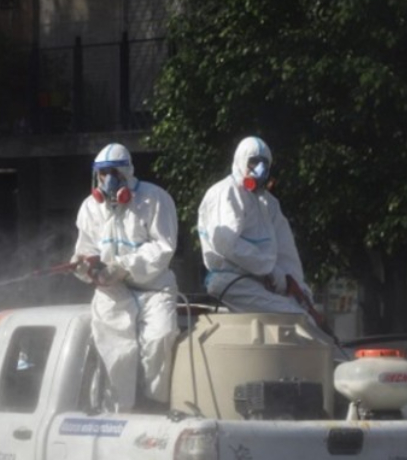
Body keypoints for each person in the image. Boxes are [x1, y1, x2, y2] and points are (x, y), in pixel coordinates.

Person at [72, 143, 179, 412]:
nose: (107, 181)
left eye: (113, 173)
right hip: (113, 290)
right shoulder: (89, 208)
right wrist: (86, 268)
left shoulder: (155, 199)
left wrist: (122, 266)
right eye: (102, 174)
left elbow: (163, 248)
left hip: (153, 287)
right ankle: (119, 412)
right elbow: (85, 249)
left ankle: (155, 405)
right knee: (116, 350)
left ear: (127, 174)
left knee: (160, 338)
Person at [198, 136, 315, 315]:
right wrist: (271, 271)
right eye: (254, 163)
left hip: (263, 282)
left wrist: (297, 286)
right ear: (241, 161)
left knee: (303, 312)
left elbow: (285, 250)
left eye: (264, 164)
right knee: (293, 316)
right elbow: (227, 244)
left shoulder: (268, 203)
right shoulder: (225, 193)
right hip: (231, 280)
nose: (259, 170)